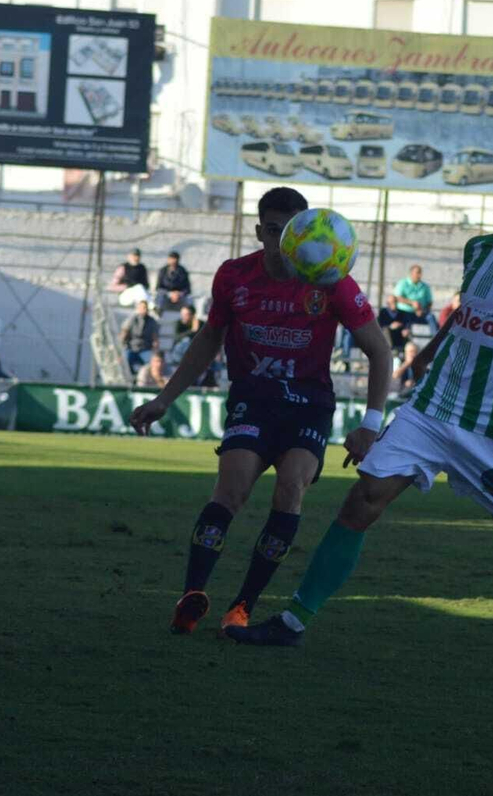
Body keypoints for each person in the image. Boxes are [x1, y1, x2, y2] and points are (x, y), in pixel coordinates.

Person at [228, 146, 493, 654]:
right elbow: (468, 315)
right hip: (433, 410)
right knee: (361, 501)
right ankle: (293, 621)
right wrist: (425, 357)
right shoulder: (477, 250)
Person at [129, 187, 393, 637]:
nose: (284, 242)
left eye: (293, 232)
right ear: (260, 231)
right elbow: (207, 341)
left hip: (309, 407)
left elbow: (380, 351)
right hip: (252, 401)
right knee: (230, 490)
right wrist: (163, 399)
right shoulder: (234, 276)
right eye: (274, 231)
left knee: (290, 489)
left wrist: (371, 425)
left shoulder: (330, 281)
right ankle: (192, 596)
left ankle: (243, 606)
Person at [120, 299, 159, 374]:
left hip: (145, 349)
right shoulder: (132, 319)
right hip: (132, 348)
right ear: (138, 309)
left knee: (152, 363)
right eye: (142, 308)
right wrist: (121, 346)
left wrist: (155, 350)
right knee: (125, 360)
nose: (144, 310)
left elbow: (155, 338)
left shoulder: (152, 321)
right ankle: (132, 376)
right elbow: (124, 332)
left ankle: (145, 379)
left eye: (145, 308)